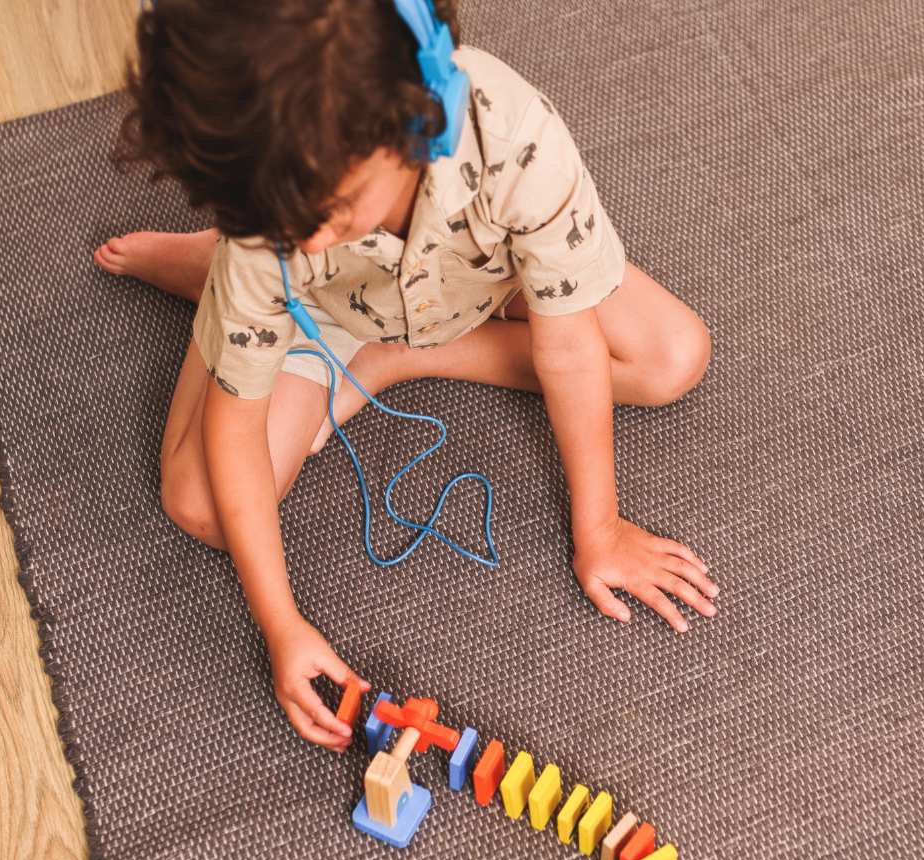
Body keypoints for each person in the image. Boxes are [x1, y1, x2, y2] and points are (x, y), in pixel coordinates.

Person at [97, 0, 719, 753]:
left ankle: (397, 354)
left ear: (414, 116)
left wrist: (599, 529)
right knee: (201, 505)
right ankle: (220, 278)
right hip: (325, 305)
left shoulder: (513, 137)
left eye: (330, 208)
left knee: (673, 357)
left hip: (482, 280)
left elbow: (569, 348)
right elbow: (234, 430)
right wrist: (283, 625)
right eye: (268, 218)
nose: (307, 235)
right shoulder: (279, 230)